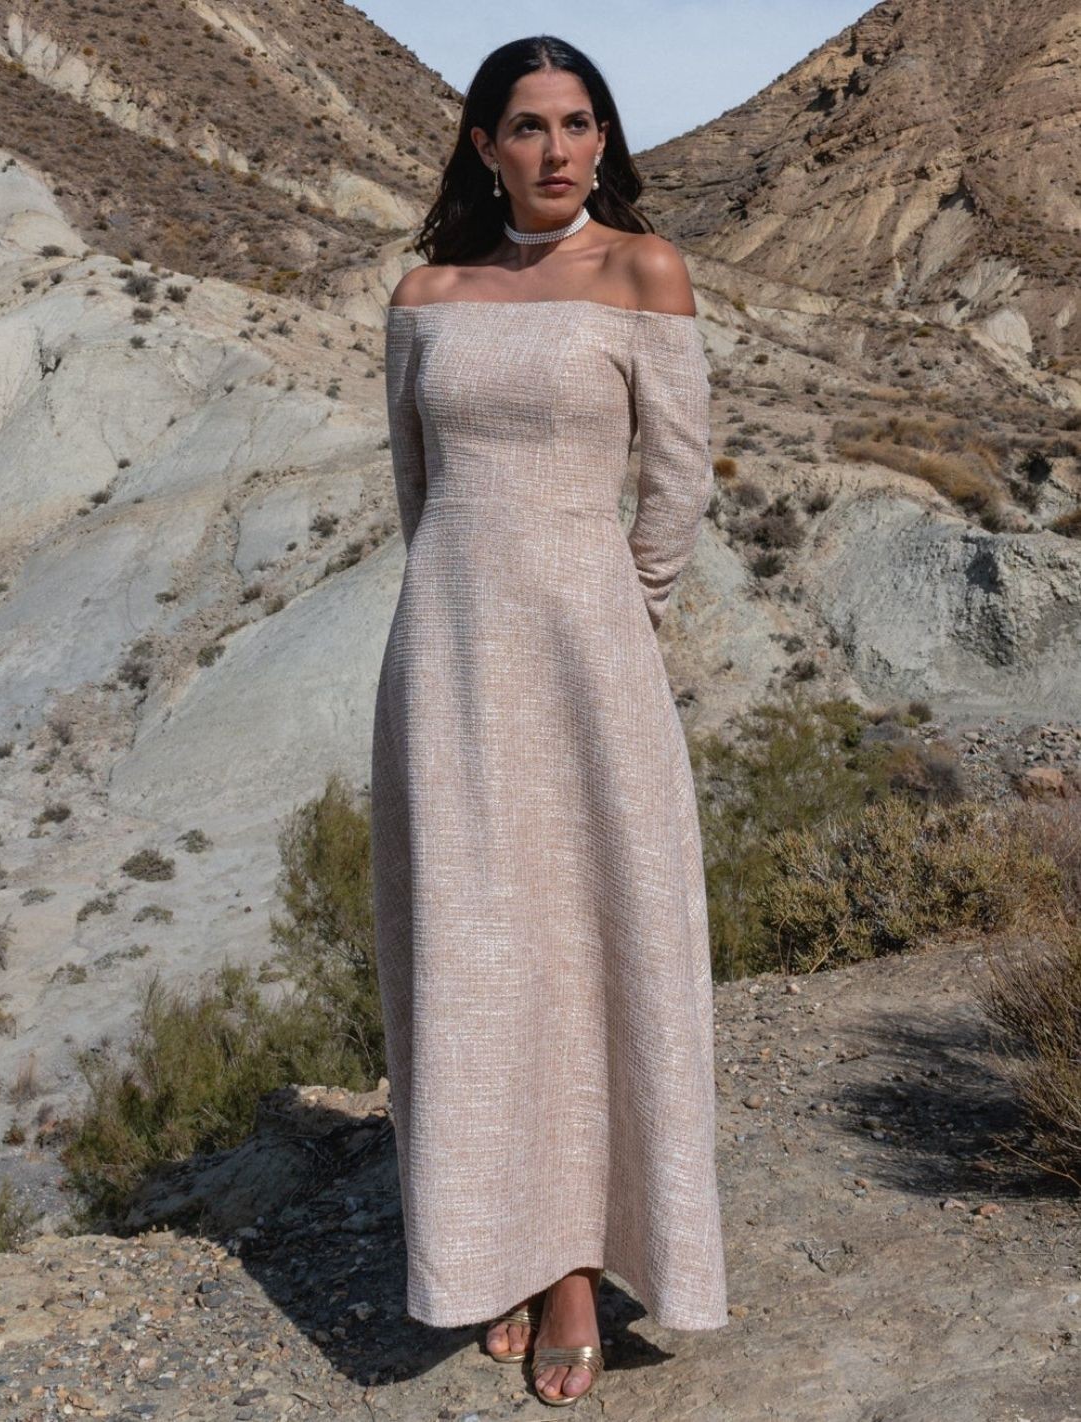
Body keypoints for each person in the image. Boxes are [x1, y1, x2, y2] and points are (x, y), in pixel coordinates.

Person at [369, 34, 728, 1409]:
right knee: (476, 949)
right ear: (483, 146)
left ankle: (577, 1265)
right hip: (451, 657)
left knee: (590, 938)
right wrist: (461, 616)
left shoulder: (643, 272)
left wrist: (615, 612)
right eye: (528, 125)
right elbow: (417, 493)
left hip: (591, 659)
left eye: (580, 123)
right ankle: (495, 1242)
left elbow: (678, 484)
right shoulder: (426, 295)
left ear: (604, 138)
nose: (558, 149)